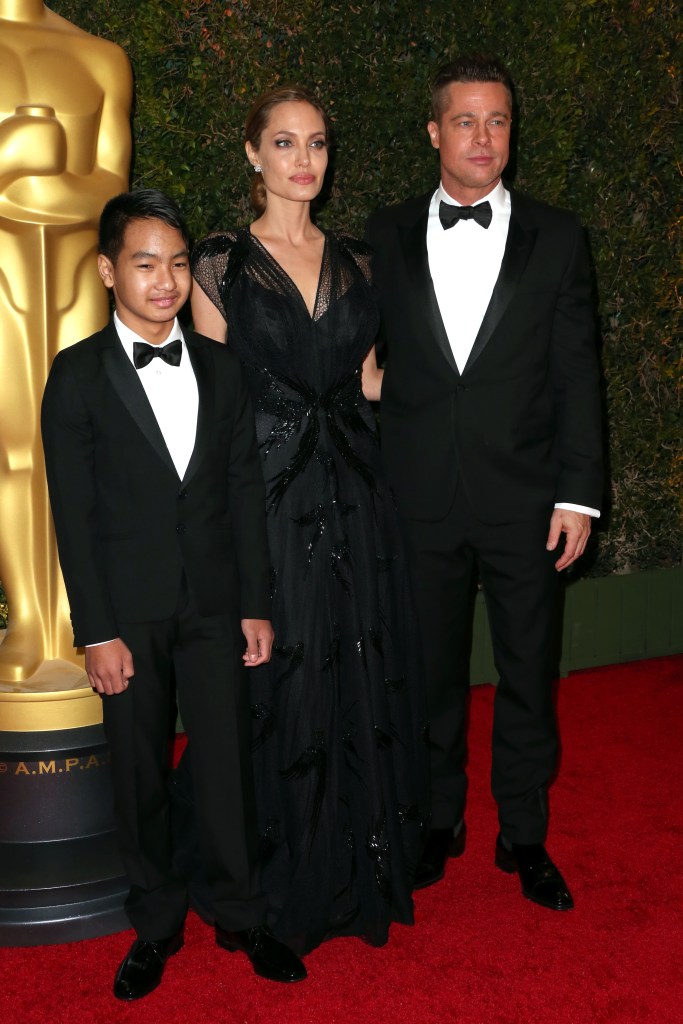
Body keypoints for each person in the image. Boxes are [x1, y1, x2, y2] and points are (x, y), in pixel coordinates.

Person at [41, 190, 306, 999]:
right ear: (107, 270)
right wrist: (97, 631)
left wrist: (254, 602)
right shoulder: (77, 375)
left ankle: (239, 909)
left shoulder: (223, 370)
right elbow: (74, 517)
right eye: (146, 264)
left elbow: (239, 492)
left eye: (180, 264)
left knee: (226, 761)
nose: (165, 281)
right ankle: (155, 923)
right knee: (139, 772)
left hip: (216, 604)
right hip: (127, 613)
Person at [189, 86, 429, 956]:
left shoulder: (359, 261)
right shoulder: (218, 261)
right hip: (269, 500)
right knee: (281, 689)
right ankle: (270, 892)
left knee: (360, 676)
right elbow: (212, 406)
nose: (303, 160)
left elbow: (369, 380)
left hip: (359, 492)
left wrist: (456, 403)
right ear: (252, 154)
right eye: (284, 143)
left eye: (317, 143)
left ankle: (357, 871)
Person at [365, 55, 603, 910]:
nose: (482, 137)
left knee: (527, 672)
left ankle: (523, 833)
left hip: (528, 500)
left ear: (511, 132)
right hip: (416, 497)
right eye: (463, 121)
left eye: (496, 121)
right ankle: (436, 821)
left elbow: (578, 374)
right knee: (426, 672)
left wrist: (579, 494)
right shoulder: (383, 233)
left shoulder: (559, 236)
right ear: (434, 132)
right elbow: (363, 357)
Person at [0, 0, 132, 685]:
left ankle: (87, 622)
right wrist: (18, 158)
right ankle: (28, 620)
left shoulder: (99, 57)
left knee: (85, 452)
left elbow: (111, 192)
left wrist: (27, 184)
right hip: (2, 280)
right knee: (14, 452)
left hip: (79, 276)